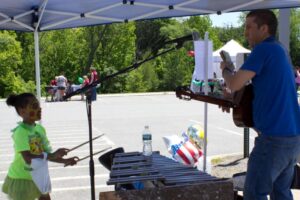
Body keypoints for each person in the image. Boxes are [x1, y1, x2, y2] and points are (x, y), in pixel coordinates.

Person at [220, 10, 300, 200]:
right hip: (292, 138)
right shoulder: (279, 50)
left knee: (254, 193)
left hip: (273, 140)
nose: (245, 33)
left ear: (264, 29)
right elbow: (264, 89)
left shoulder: (263, 49)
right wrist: (235, 98)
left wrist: (226, 70)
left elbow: (234, 83)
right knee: (280, 192)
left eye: (249, 27)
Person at [2, 93, 78, 200]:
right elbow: (28, 158)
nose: (39, 109)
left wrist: (65, 161)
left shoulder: (40, 129)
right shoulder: (21, 132)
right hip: (22, 178)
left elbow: (47, 154)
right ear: (22, 111)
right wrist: (53, 155)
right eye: (34, 106)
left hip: (40, 177)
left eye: (38, 105)